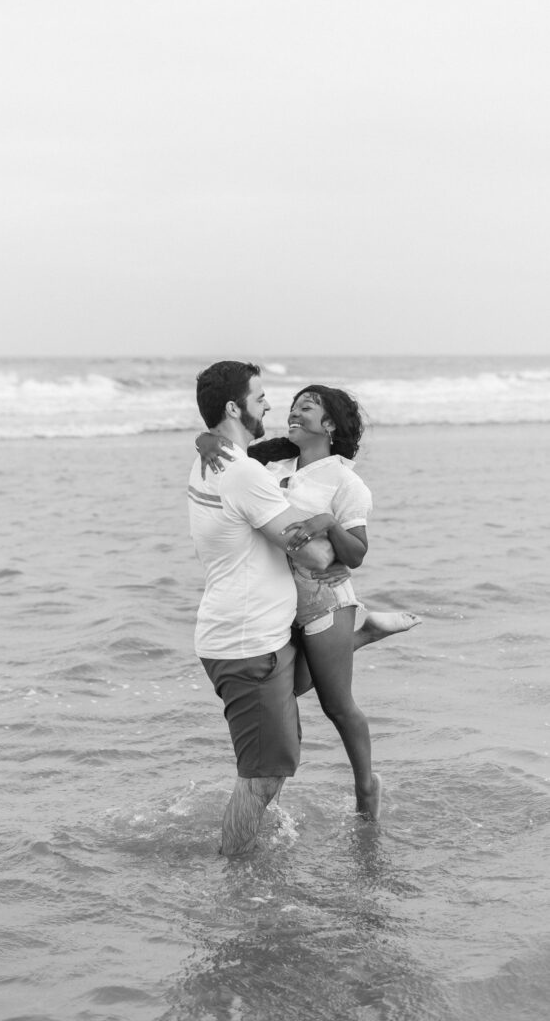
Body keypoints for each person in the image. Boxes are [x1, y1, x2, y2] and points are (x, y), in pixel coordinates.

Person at [196, 383, 409, 822]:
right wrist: (203, 442)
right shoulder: (274, 461)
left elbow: (357, 554)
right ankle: (365, 635)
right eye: (292, 408)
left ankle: (367, 786)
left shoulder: (345, 481)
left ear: (329, 424)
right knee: (285, 688)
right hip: (283, 602)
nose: (293, 414)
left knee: (336, 705)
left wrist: (328, 523)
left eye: (306, 409)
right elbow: (227, 454)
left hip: (326, 601)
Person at [188, 361, 366, 856]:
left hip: (246, 634)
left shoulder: (211, 456)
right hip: (250, 644)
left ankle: (359, 636)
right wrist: (326, 524)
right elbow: (319, 556)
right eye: (260, 397)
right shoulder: (246, 475)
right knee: (263, 775)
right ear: (233, 407)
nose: (270, 405)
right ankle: (235, 879)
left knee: (280, 747)